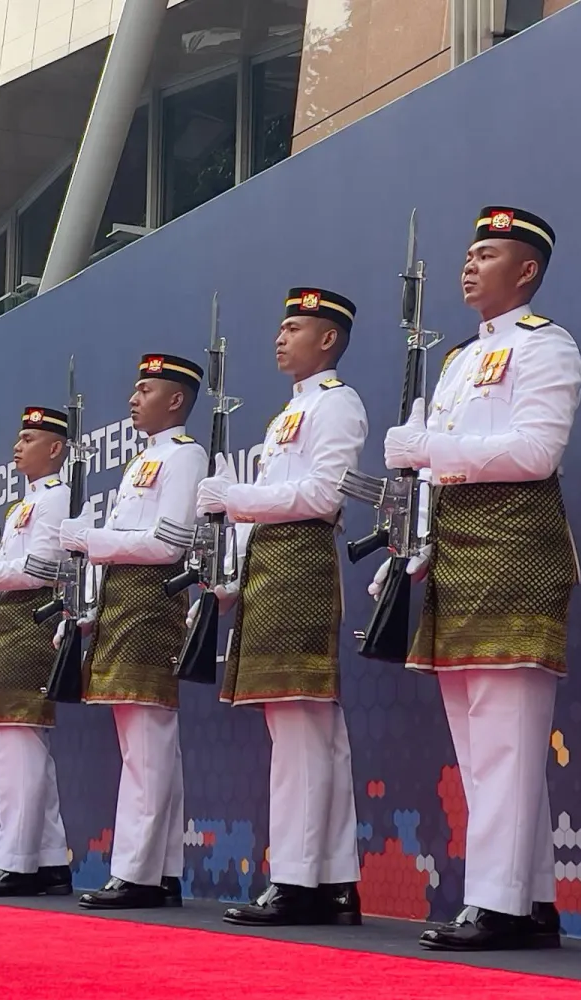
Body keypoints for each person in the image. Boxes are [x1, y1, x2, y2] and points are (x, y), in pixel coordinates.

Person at [386, 207, 578, 951]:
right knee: (480, 742)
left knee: (506, 738)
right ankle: (527, 899)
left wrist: (433, 448)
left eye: (487, 253)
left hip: (516, 552)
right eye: (467, 252)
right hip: (458, 551)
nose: (469, 265)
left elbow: (537, 450)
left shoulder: (547, 345)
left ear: (526, 270)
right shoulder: (460, 359)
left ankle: (497, 903)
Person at [194, 288, 367, 926]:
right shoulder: (287, 414)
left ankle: (298, 880)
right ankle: (330, 879)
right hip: (272, 564)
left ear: (327, 339)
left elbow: (322, 494)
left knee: (302, 730)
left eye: (294, 326)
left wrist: (236, 499)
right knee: (305, 732)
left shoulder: (337, 404)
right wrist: (232, 567)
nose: (280, 336)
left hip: (302, 566)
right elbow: (275, 495)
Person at [61, 354, 208, 909]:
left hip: (155, 602)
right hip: (125, 601)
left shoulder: (185, 458)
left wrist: (92, 541)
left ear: (175, 400)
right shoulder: (141, 462)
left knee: (147, 744)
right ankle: (161, 868)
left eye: (146, 388)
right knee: (142, 746)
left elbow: (168, 543)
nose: (133, 397)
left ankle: (138, 872)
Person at [0, 406, 74, 898]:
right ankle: (47, 859)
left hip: (33, 623)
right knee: (20, 750)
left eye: (28, 438)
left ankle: (17, 861)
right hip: (8, 625)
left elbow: (38, 569)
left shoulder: (58, 498)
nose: (17, 446)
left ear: (56, 448)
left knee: (22, 749)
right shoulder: (25, 504)